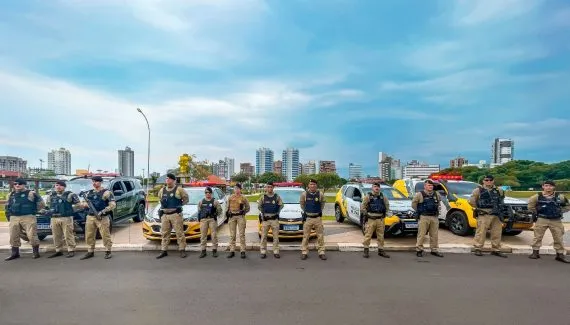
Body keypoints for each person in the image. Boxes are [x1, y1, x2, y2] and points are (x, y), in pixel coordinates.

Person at [527, 180, 570, 263]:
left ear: (554, 187)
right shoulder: (537, 196)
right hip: (542, 219)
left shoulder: (560, 197)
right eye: (546, 186)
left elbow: (568, 206)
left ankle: (560, 254)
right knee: (537, 237)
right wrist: (537, 212)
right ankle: (535, 253)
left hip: (556, 220)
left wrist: (559, 211)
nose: (548, 187)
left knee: (558, 237)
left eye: (550, 186)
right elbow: (530, 206)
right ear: (543, 187)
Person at [5, 178, 45, 261]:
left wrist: (36, 211)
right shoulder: (10, 194)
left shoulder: (31, 193)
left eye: (19, 184)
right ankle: (15, 253)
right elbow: (7, 206)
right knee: (13, 235)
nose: (17, 185)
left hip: (28, 216)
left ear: (24, 185)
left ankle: (35, 252)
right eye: (15, 184)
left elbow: (41, 203)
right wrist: (8, 215)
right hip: (14, 217)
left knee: (31, 234)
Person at [469, 175, 507, 258]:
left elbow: (501, 201)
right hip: (484, 214)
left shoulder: (499, 190)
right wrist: (479, 209)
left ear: (493, 181)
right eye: (487, 180)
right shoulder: (478, 190)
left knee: (497, 232)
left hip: (496, 215)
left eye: (490, 180)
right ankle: (478, 248)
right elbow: (472, 201)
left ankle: (495, 249)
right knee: (481, 232)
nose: (488, 181)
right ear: (483, 181)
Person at [79, 176, 115, 260]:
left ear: (100, 182)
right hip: (90, 217)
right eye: (93, 181)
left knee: (105, 235)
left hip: (102, 217)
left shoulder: (106, 192)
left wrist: (103, 211)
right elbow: (83, 203)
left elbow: (113, 205)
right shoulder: (89, 193)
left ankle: (108, 251)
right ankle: (90, 251)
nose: (94, 183)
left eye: (96, 181)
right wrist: (85, 204)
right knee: (89, 235)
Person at [412, 180, 450, 257]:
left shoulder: (436, 194)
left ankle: (434, 250)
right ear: (425, 186)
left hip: (434, 217)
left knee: (434, 235)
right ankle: (419, 250)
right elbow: (414, 204)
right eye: (429, 185)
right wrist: (420, 211)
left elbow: (438, 203)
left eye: (432, 185)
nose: (431, 187)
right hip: (424, 217)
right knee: (421, 234)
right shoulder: (419, 194)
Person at [156, 173, 190, 259]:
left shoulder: (179, 190)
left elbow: (186, 199)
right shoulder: (162, 190)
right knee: (164, 233)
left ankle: (182, 250)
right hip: (165, 215)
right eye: (166, 178)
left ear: (174, 180)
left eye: (169, 178)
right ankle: (164, 250)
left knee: (179, 233)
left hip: (175, 214)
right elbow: (160, 200)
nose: (167, 180)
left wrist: (179, 206)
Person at [44, 180, 80, 258]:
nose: (58, 187)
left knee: (68, 235)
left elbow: (78, 205)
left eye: (60, 185)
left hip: (66, 218)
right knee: (56, 235)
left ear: (64, 187)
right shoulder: (51, 195)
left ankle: (71, 250)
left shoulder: (70, 195)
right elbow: (48, 206)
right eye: (57, 185)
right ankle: (58, 250)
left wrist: (70, 210)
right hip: (54, 218)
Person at [361, 182, 390, 258]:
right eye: (375, 186)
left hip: (380, 219)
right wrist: (367, 215)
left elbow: (387, 206)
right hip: (371, 219)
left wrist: (386, 215)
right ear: (372, 188)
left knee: (381, 236)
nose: (376, 188)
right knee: (368, 235)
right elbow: (362, 207)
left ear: (379, 188)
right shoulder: (368, 196)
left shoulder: (383, 196)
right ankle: (366, 250)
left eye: (378, 187)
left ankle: (381, 250)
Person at [300, 179, 327, 260]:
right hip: (308, 218)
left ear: (316, 185)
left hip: (317, 218)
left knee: (320, 236)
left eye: (314, 184)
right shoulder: (304, 194)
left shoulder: (320, 194)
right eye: (311, 184)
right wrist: (307, 211)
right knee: (306, 236)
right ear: (308, 185)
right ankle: (304, 252)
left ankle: (321, 252)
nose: (312, 186)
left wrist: (319, 211)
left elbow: (323, 203)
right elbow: (302, 204)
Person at [257, 182, 284, 259]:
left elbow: (281, 205)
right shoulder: (263, 197)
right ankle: (263, 251)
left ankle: (276, 251)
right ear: (266, 188)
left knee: (275, 237)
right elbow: (259, 206)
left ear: (273, 188)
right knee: (264, 236)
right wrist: (263, 213)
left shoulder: (277, 197)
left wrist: (277, 212)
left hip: (274, 219)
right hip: (265, 220)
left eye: (271, 187)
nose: (269, 188)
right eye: (268, 187)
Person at [226, 183, 250, 259]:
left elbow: (248, 207)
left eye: (238, 188)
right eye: (235, 188)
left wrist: (243, 212)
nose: (236, 190)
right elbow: (227, 207)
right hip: (232, 217)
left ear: (240, 189)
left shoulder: (243, 198)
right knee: (232, 235)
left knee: (241, 235)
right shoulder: (230, 197)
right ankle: (232, 251)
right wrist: (228, 214)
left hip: (240, 217)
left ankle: (242, 251)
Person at [198, 187, 222, 258]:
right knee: (203, 235)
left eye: (209, 192)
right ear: (205, 193)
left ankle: (214, 250)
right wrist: (200, 218)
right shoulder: (201, 201)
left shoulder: (215, 201)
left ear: (211, 193)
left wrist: (215, 214)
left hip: (212, 219)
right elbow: (199, 211)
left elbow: (220, 210)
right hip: (204, 220)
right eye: (206, 192)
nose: (207, 194)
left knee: (213, 235)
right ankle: (203, 250)